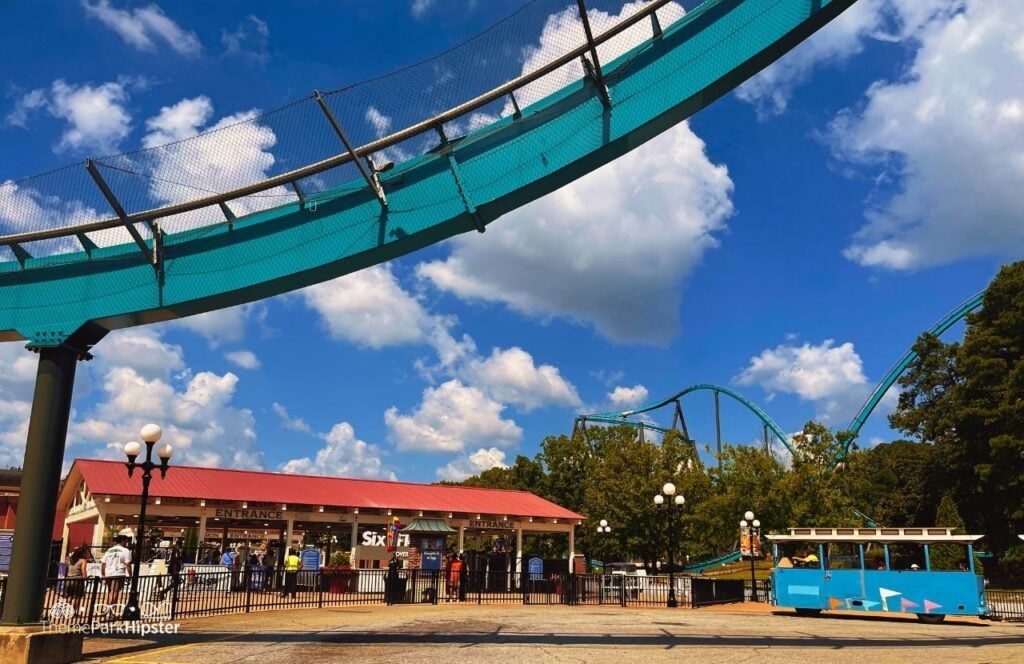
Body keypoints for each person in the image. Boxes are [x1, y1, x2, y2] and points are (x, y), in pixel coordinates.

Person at [101, 535, 132, 606]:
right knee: (115, 592)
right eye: (126, 541)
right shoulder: (125, 550)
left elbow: (103, 563)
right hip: (118, 573)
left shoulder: (109, 550)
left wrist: (103, 574)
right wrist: (130, 575)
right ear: (122, 541)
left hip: (108, 573)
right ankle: (110, 610)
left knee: (110, 592)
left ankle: (109, 609)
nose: (127, 542)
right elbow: (128, 564)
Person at [64, 545, 91, 613]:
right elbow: (83, 571)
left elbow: (67, 569)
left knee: (69, 596)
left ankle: (67, 611)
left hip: (68, 579)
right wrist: (86, 578)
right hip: (77, 579)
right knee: (77, 596)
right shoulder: (83, 560)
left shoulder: (70, 560)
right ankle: (73, 611)